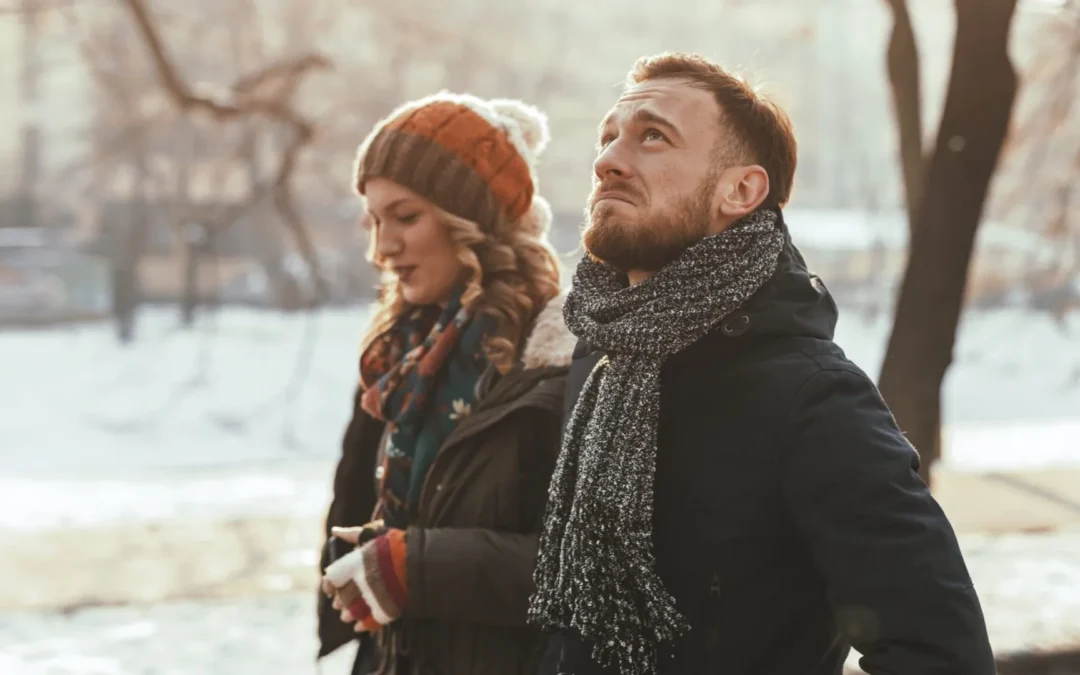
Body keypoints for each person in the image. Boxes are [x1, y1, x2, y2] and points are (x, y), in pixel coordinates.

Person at [530, 53, 995, 675]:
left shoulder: (811, 396)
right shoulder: (601, 360)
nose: (607, 160)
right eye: (608, 137)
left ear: (741, 191)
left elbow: (943, 653)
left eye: (653, 137)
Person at [316, 91, 577, 675]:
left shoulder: (557, 364)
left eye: (406, 217)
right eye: (375, 221)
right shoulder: (398, 357)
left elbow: (588, 573)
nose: (383, 249)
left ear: (475, 221)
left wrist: (417, 566)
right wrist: (370, 553)